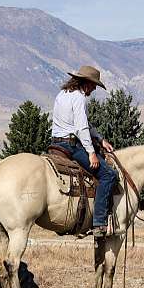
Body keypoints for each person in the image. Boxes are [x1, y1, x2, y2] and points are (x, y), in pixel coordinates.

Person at [51, 65, 117, 237]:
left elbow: (84, 123)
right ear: (86, 83)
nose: (94, 89)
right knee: (108, 175)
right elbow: (81, 128)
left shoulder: (62, 94)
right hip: (70, 145)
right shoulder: (79, 98)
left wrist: (101, 140)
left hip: (55, 142)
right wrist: (91, 152)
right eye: (94, 85)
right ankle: (99, 222)